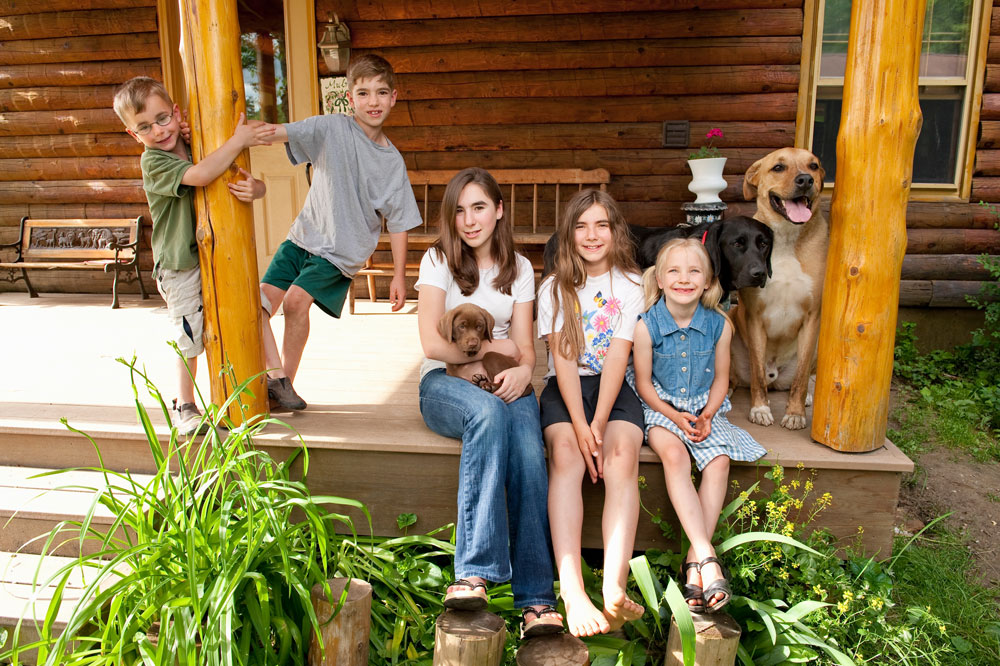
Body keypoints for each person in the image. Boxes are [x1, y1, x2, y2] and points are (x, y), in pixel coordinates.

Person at [416, 167, 563, 640]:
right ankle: (474, 572)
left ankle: (537, 600)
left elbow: (523, 346)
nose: (469, 220)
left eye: (479, 207)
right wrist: (477, 365)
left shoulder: (518, 268)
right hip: (445, 382)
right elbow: (431, 344)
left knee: (525, 443)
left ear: (499, 210)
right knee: (486, 412)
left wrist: (523, 370)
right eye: (459, 210)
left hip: (506, 376)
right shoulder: (438, 260)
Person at [256, 54, 422, 410]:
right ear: (350, 98)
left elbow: (399, 221)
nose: (372, 102)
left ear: (394, 97)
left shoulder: (392, 163)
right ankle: (274, 381)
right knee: (258, 305)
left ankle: (285, 381)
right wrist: (238, 136)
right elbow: (278, 132)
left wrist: (398, 276)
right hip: (303, 236)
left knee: (297, 301)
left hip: (342, 250)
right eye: (363, 93)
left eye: (381, 93)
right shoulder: (331, 128)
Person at [113, 76, 272, 435]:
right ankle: (185, 404)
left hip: (211, 253)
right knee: (191, 336)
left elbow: (241, 177)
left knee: (247, 306)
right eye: (144, 127)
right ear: (133, 135)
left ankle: (271, 379)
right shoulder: (153, 162)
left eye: (163, 118)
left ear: (177, 113)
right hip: (179, 264)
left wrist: (256, 188)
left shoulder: (193, 142)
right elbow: (201, 175)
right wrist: (239, 139)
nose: (157, 130)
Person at [628, 238, 767, 614]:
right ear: (658, 279)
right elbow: (642, 384)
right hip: (660, 407)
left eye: (694, 271)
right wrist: (673, 416)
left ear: (708, 281)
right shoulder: (646, 326)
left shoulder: (720, 325)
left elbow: (722, 379)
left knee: (718, 460)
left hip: (705, 408)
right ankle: (708, 553)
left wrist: (707, 414)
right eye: (674, 270)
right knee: (674, 456)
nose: (684, 279)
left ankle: (694, 562)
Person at [536, 189, 646, 637]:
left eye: (601, 224)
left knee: (622, 457)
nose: (591, 235)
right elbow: (562, 356)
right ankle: (572, 587)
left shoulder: (632, 284)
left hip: (613, 389)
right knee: (567, 455)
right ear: (569, 235)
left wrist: (599, 423)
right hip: (565, 387)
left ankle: (614, 586)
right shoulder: (553, 287)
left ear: (615, 231)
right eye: (581, 226)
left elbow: (620, 354)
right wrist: (581, 426)